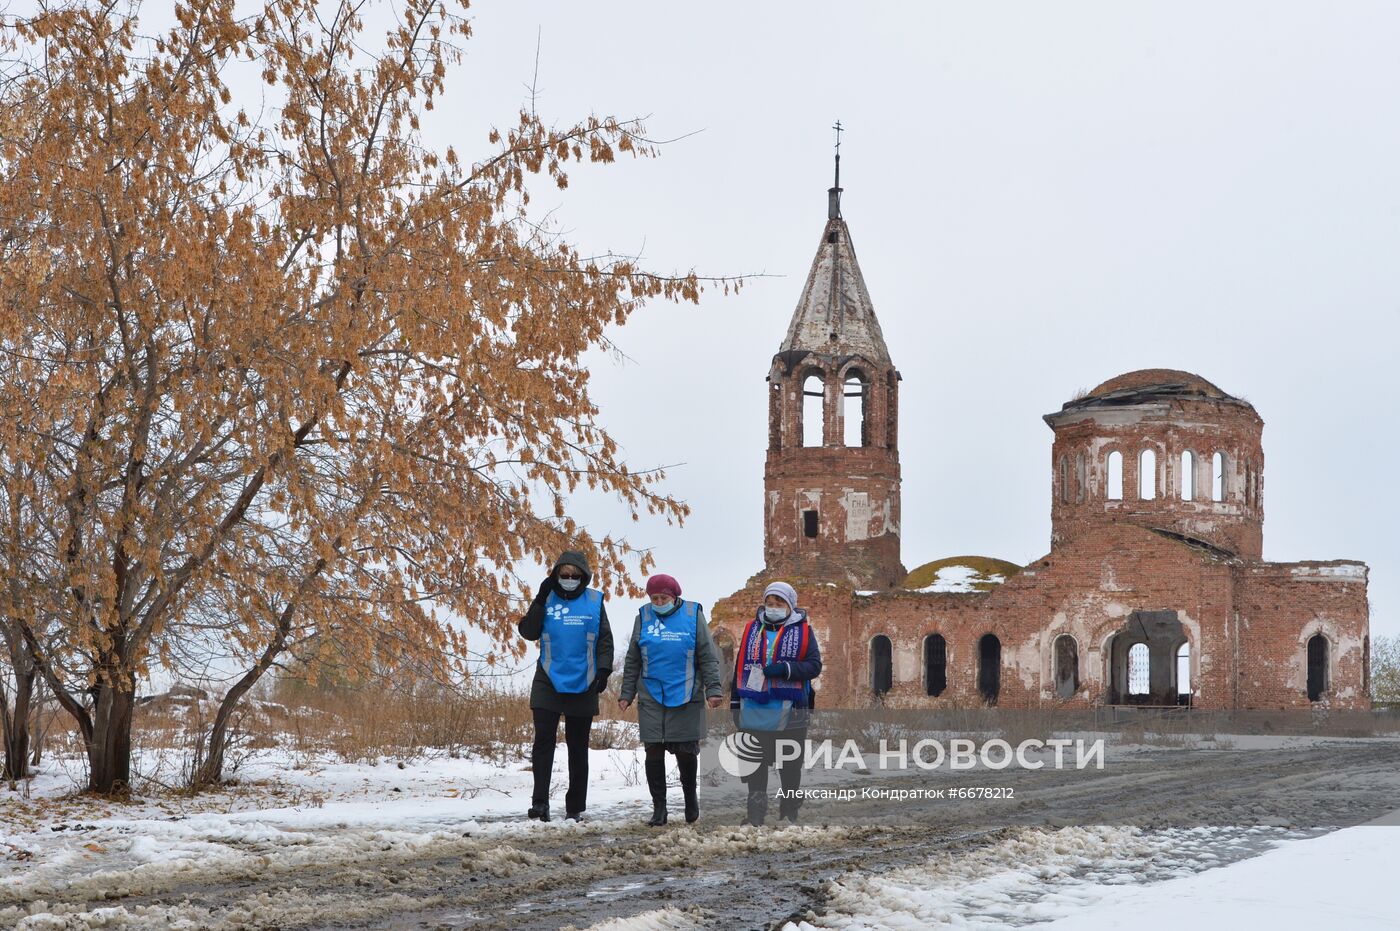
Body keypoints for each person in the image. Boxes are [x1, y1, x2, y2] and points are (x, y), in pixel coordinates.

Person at [618, 574, 724, 826]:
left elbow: (707, 655)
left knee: (686, 751)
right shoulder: (642, 617)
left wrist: (713, 689)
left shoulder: (692, 615)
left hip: (686, 692)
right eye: (654, 598)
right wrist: (626, 693)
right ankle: (660, 809)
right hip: (651, 693)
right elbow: (633, 659)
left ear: (674, 596)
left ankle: (690, 799)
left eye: (663, 597)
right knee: (653, 749)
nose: (658, 601)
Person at [518, 551, 613, 822]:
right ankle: (540, 804)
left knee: (577, 747)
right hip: (548, 678)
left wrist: (604, 670)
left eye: (575, 575)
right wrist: (539, 599)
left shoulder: (594, 601)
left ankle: (575, 808)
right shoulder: (547, 598)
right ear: (556, 575)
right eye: (564, 575)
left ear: (583, 576)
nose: (569, 579)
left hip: (584, 681)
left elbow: (605, 640)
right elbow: (528, 632)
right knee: (543, 742)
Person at [730, 581, 822, 826]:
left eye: (779, 603)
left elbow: (814, 666)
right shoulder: (752, 630)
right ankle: (755, 814)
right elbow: (740, 668)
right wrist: (734, 703)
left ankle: (789, 811)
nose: (773, 607)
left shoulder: (804, 632)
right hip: (754, 706)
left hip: (791, 709)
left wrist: (786, 669)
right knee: (755, 761)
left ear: (790, 605)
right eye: (769, 603)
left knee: (789, 764)